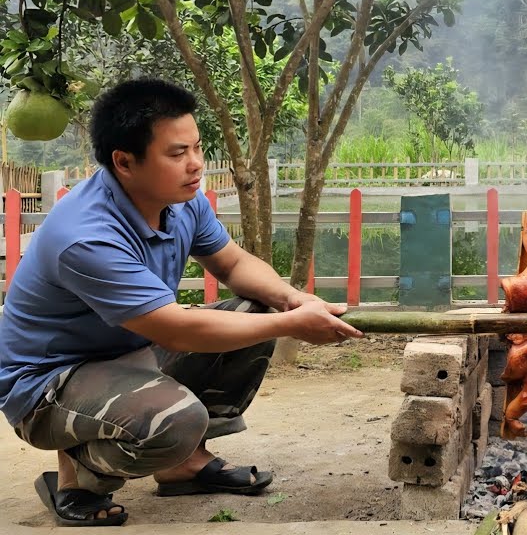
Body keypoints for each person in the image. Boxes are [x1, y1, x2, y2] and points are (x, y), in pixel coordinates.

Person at [0, 79, 364, 527]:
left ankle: (183, 464)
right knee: (175, 420)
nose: (196, 165)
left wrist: (291, 300)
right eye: (177, 154)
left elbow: (231, 264)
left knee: (258, 311)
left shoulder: (180, 201)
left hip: (128, 353)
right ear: (124, 162)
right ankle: (79, 476)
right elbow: (177, 330)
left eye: (196, 148)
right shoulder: (86, 235)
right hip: (49, 386)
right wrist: (292, 325)